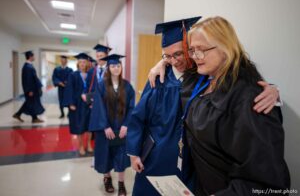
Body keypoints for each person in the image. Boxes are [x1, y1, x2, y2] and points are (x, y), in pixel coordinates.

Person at [127, 17, 282, 196]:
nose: (175, 60)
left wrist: (273, 90)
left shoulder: (200, 78)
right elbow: (138, 117)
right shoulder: (159, 78)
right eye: (167, 56)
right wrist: (134, 151)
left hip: (191, 161)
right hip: (158, 154)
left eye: (179, 53)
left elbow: (241, 81)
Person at [185, 16, 290, 195]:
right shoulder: (205, 81)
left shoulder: (250, 99)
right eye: (192, 50)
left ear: (226, 48)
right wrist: (161, 64)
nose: (195, 57)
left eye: (201, 50)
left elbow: (266, 183)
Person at [89, 54, 135, 196]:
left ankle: (121, 184)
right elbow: (98, 107)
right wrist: (105, 126)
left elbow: (132, 107)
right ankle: (107, 178)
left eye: (118, 66)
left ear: (121, 67)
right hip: (106, 129)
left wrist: (126, 125)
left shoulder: (127, 86)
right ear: (108, 68)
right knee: (106, 155)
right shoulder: (102, 85)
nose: (116, 68)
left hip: (121, 128)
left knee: (121, 156)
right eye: (113, 66)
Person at [63, 53, 93, 156]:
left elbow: (94, 89)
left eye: (84, 62)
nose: (82, 64)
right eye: (80, 62)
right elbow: (69, 89)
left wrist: (92, 101)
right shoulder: (73, 75)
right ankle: (80, 146)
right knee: (80, 126)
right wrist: (71, 103)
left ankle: (89, 143)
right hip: (78, 104)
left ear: (87, 63)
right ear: (77, 63)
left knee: (89, 126)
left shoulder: (91, 74)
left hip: (89, 103)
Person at [13, 51, 45, 123]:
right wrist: (30, 90)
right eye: (33, 56)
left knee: (30, 102)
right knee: (30, 103)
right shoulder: (27, 67)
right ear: (30, 56)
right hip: (31, 89)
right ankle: (33, 118)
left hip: (33, 88)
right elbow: (28, 80)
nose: (34, 57)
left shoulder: (29, 65)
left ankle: (20, 114)